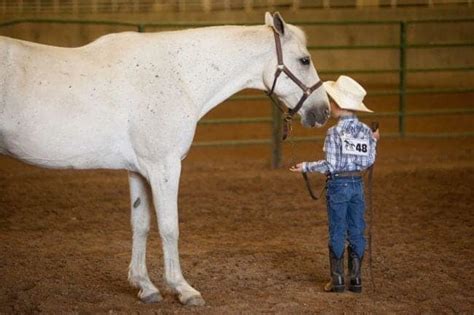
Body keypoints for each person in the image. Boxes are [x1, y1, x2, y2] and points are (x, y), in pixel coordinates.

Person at [290, 75, 379, 293]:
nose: (330, 105)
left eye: (332, 101)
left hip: (338, 185)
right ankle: (356, 280)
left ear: (339, 106)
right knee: (357, 230)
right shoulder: (367, 132)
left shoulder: (333, 132)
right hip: (356, 184)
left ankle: (338, 280)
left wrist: (306, 167)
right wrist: (374, 142)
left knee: (338, 231)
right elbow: (368, 161)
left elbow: (330, 165)